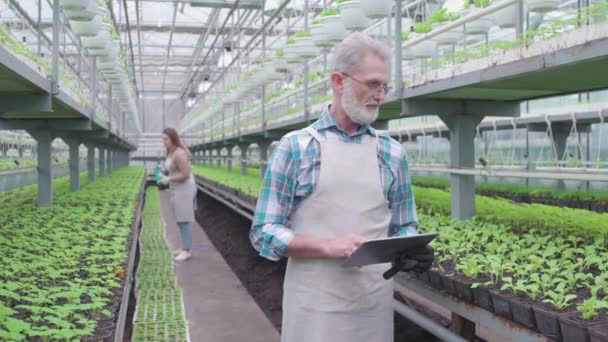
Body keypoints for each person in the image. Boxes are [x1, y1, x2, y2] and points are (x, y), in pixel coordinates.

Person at [249, 32, 434, 342]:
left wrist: (412, 248)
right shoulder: (295, 148)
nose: (380, 95)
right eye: (372, 84)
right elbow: (264, 232)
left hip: (371, 305)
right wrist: (326, 246)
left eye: (384, 86)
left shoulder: (391, 153)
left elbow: (405, 226)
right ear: (339, 81)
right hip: (314, 308)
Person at [160, 128, 197, 262]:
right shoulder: (170, 152)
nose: (163, 141)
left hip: (184, 188)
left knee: (183, 219)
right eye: (162, 139)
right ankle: (184, 247)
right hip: (177, 188)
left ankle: (186, 251)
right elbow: (173, 168)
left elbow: (185, 174)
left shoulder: (180, 153)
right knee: (179, 219)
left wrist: (169, 179)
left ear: (173, 139)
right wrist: (164, 170)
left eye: (166, 139)